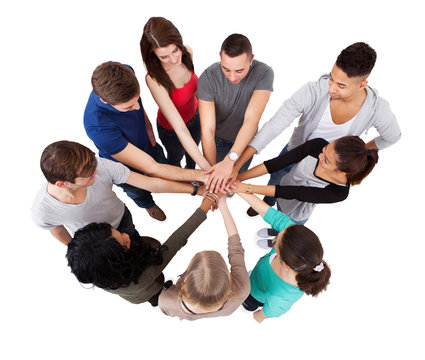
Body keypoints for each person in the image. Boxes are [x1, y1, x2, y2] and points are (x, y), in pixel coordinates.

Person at [231, 42, 401, 212]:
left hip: (326, 165)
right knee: (277, 177)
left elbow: (392, 137)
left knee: (293, 200)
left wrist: (362, 150)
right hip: (296, 150)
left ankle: (278, 213)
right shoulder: (314, 91)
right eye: (332, 78)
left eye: (341, 86)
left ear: (362, 84)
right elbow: (275, 125)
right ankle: (268, 201)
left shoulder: (377, 109)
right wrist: (236, 167)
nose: (332, 89)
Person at [84, 61, 206, 221]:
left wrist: (148, 126)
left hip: (148, 145)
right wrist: (203, 179)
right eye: (128, 108)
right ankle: (148, 205)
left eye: (137, 100)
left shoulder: (126, 72)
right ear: (106, 101)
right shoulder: (98, 126)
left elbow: (137, 107)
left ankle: (174, 181)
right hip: (124, 167)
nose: (136, 107)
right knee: (137, 191)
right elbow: (152, 168)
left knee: (166, 168)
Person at [31, 141, 205, 246]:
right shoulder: (42, 211)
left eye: (94, 166)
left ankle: (137, 243)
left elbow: (151, 184)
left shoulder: (100, 165)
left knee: (133, 236)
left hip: (121, 218)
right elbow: (57, 230)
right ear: (62, 184)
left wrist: (196, 190)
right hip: (97, 242)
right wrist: (74, 249)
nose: (96, 172)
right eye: (88, 175)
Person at [66, 195, 218, 306]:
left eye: (115, 230)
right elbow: (178, 239)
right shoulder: (144, 276)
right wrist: (205, 206)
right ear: (120, 260)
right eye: (124, 241)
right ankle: (158, 296)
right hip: (146, 291)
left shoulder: (93, 267)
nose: (126, 235)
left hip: (132, 293)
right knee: (156, 292)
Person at [233, 136, 379, 227]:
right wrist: (239, 177)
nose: (320, 156)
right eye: (325, 149)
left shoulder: (338, 192)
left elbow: (295, 193)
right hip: (283, 185)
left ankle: (275, 237)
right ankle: (268, 204)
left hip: (295, 211)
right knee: (273, 201)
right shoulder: (317, 145)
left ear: (340, 171)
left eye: (326, 161)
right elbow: (277, 163)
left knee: (282, 228)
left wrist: (246, 188)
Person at [237, 192, 331, 323]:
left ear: (285, 264)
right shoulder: (293, 242)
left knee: (248, 303)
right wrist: (238, 188)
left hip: (254, 296)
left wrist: (257, 315)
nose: (278, 232)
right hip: (258, 276)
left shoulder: (279, 298)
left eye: (276, 242)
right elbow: (272, 216)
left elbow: (259, 316)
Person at [197, 33, 274, 193]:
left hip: (244, 142)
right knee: (215, 182)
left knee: (230, 184)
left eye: (239, 71)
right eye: (226, 69)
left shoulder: (264, 73)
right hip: (215, 140)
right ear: (220, 56)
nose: (232, 77)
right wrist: (213, 176)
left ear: (251, 59)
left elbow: (251, 121)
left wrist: (231, 159)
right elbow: (207, 131)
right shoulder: (207, 77)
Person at [158, 196, 250, 320]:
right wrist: (223, 206)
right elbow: (236, 250)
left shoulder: (166, 300)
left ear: (185, 279)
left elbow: (236, 250)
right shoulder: (242, 289)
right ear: (228, 280)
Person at [141, 17, 210, 171]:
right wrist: (207, 168)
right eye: (164, 56)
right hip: (172, 131)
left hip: (195, 117)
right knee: (175, 158)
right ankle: (183, 180)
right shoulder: (154, 79)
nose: (173, 59)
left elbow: (197, 91)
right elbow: (180, 128)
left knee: (193, 155)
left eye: (175, 50)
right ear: (153, 55)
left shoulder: (187, 53)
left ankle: (191, 170)